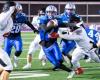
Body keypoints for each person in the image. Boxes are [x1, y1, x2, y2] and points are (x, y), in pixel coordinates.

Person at [58, 11, 100, 79]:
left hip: (89, 49)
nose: (71, 24)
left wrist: (58, 34)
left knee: (97, 60)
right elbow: (67, 30)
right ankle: (80, 70)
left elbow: (69, 36)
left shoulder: (80, 31)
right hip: (80, 48)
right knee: (73, 60)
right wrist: (58, 28)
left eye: (73, 22)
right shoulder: (76, 27)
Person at [38, 5, 76, 79]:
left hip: (53, 43)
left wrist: (75, 25)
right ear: (46, 12)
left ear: (55, 13)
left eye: (52, 12)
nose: (50, 14)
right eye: (49, 12)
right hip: (45, 45)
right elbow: (45, 29)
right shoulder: (42, 19)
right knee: (56, 64)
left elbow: (65, 24)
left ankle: (69, 68)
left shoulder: (57, 20)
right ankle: (71, 71)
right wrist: (53, 25)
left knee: (59, 59)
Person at [4, 3, 38, 68]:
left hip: (17, 37)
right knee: (6, 55)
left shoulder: (22, 17)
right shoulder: (7, 17)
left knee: (19, 50)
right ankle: (6, 67)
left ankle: (15, 57)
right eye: (17, 10)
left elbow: (28, 22)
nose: (19, 12)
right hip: (8, 38)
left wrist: (34, 29)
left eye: (20, 10)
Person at [0, 1, 16, 80]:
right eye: (15, 9)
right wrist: (11, 10)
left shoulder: (8, 18)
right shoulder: (4, 17)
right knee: (8, 67)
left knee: (3, 67)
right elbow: (1, 21)